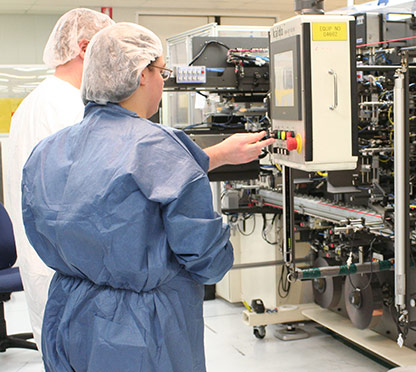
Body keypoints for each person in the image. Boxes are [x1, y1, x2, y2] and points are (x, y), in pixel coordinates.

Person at [21, 22, 275, 371]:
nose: (161, 80)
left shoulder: (49, 148)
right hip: (140, 330)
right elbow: (208, 260)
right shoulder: (160, 145)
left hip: (66, 314)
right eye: (161, 71)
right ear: (142, 74)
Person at [5, 8, 114, 351]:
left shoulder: (34, 102)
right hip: (70, 270)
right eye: (110, 49)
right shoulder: (69, 107)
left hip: (47, 265)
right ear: (84, 48)